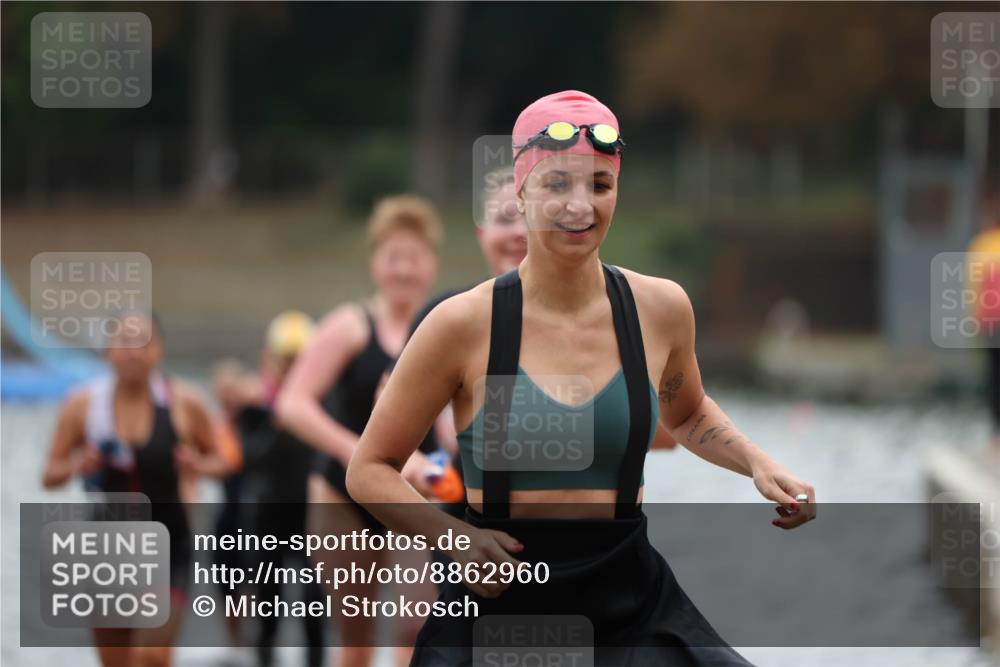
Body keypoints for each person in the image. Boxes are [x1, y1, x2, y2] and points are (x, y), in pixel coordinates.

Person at [346, 90, 816, 666]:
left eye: (599, 184)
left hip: (628, 601)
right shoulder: (461, 324)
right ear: (520, 192)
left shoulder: (660, 308)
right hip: (500, 598)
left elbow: (687, 412)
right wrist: (453, 540)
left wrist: (758, 463)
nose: (580, 206)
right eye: (557, 184)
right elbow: (369, 470)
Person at [275, 196, 442, 667]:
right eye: (394, 258)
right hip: (343, 493)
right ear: (376, 263)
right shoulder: (350, 326)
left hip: (414, 490)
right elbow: (292, 402)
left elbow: (451, 418)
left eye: (415, 258)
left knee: (415, 625)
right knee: (356, 641)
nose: (404, 271)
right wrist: (360, 453)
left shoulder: (442, 327)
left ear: (432, 264)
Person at [42, 313, 227, 667]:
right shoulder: (82, 405)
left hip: (169, 545)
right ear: (107, 351)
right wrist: (79, 463)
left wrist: (196, 465)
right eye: (124, 342)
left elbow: (223, 462)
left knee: (152, 655)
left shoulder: (184, 402)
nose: (134, 352)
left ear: (159, 351)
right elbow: (50, 474)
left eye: (144, 342)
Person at [967, 176, 1000, 448]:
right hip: (992, 321)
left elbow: (975, 285)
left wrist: (976, 317)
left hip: (991, 322)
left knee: (993, 376)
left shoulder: (981, 245)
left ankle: (995, 433)